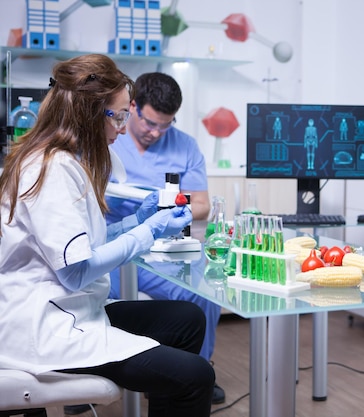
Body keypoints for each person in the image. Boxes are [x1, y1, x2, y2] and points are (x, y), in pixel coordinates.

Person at [0, 54, 215, 416]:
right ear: (87, 115)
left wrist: (135, 223)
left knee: (188, 318)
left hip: (69, 308)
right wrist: (147, 232)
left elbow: (86, 243)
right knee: (196, 376)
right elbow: (76, 271)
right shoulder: (50, 169)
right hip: (47, 326)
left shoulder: (68, 161)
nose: (120, 127)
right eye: (117, 116)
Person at [105, 72, 225, 404]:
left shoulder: (185, 145)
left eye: (165, 125)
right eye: (149, 123)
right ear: (132, 107)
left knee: (205, 285)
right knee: (106, 298)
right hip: (115, 244)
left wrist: (174, 206)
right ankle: (97, 370)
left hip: (163, 247)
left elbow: (202, 204)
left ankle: (196, 366)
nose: (157, 132)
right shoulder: (109, 136)